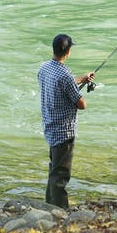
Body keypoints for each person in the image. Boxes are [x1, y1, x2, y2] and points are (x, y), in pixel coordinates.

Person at [37, 33, 94, 209]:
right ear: (68, 51)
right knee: (60, 175)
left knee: (53, 170)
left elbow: (61, 83)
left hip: (50, 126)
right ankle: (60, 211)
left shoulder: (44, 68)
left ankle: (49, 205)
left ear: (54, 49)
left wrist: (82, 79)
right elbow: (81, 104)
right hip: (64, 131)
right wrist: (79, 90)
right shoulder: (65, 74)